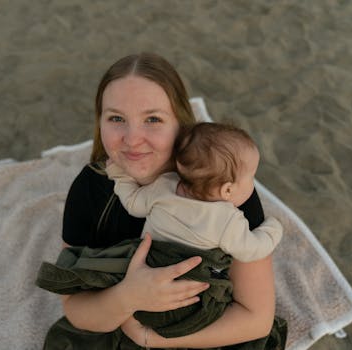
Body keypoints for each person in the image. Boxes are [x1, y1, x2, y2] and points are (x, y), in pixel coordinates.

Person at [54, 52, 286, 349]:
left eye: (152, 119)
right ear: (99, 121)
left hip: (200, 329)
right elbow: (76, 308)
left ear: (181, 121)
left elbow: (256, 319)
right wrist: (129, 297)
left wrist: (150, 338)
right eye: (116, 118)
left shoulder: (221, 189)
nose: (132, 138)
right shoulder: (91, 188)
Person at [106, 122, 283, 264]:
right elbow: (251, 250)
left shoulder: (164, 186)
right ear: (227, 190)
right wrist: (273, 229)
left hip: (147, 267)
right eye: (251, 178)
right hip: (188, 286)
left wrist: (119, 174)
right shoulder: (225, 219)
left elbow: (132, 203)